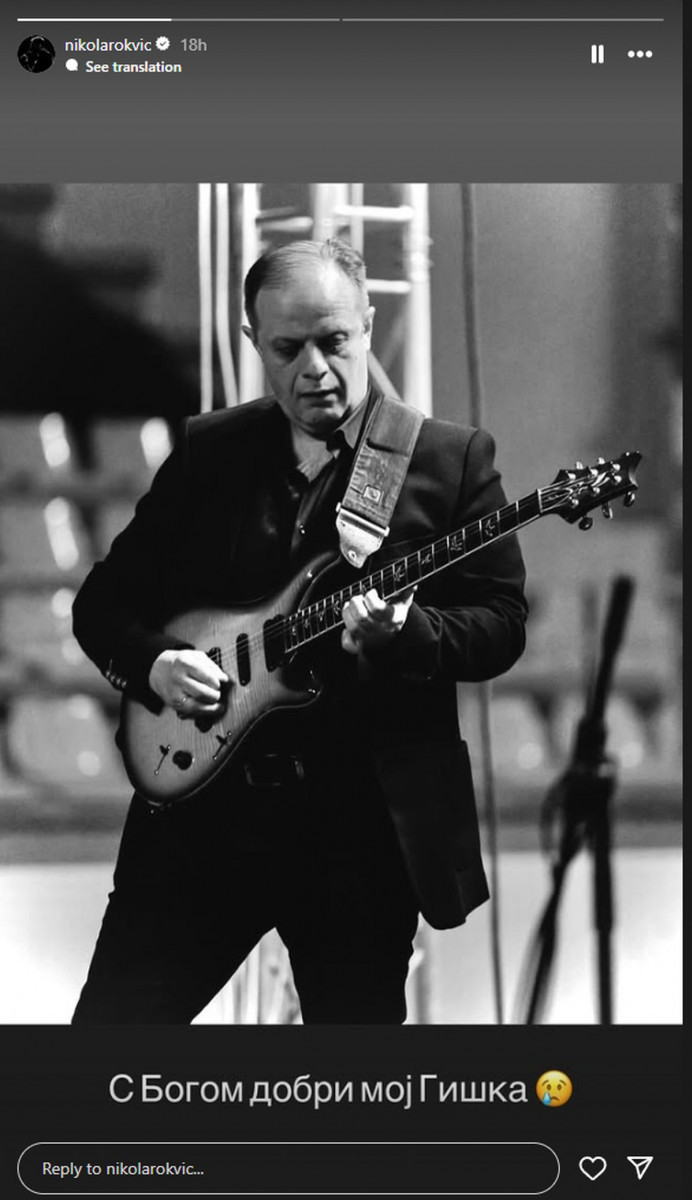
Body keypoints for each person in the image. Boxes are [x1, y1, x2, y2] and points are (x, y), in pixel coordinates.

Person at [71, 238, 527, 1025]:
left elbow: (500, 624)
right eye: (288, 349)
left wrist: (409, 632)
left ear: (367, 323)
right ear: (254, 342)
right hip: (203, 821)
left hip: (361, 834)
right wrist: (154, 664)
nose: (315, 369)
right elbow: (103, 602)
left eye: (334, 341)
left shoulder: (447, 460)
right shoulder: (210, 452)